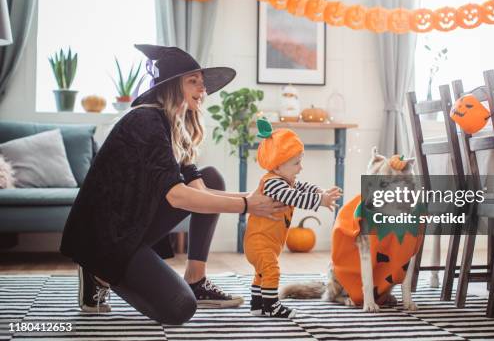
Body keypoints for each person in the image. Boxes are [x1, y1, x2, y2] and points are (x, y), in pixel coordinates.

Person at [60, 44, 287, 325]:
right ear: (170, 86)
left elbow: (201, 192)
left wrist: (252, 196)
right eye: (193, 81)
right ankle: (96, 273)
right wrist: (246, 205)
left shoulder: (172, 126)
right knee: (179, 308)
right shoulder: (145, 120)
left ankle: (196, 279)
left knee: (211, 176)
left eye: (202, 84)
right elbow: (179, 197)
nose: (202, 90)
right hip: (104, 239)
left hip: (130, 227)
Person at [243, 118, 342, 318]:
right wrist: (319, 201)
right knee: (271, 271)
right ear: (278, 167)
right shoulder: (273, 183)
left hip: (267, 243)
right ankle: (272, 306)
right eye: (296, 163)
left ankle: (257, 305)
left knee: (261, 273)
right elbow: (295, 197)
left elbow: (303, 187)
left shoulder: (284, 180)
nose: (300, 168)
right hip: (260, 241)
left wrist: (320, 191)